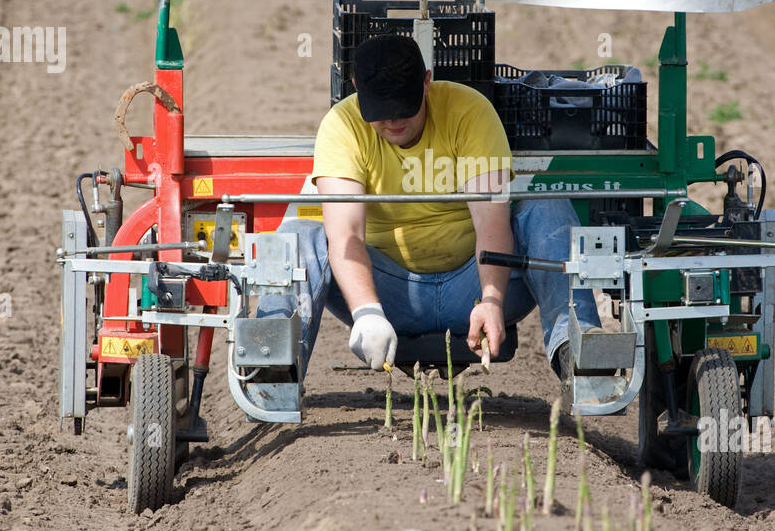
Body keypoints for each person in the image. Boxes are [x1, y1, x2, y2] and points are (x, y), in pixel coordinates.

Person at [256, 33, 600, 404]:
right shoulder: (342, 126)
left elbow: (491, 221)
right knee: (300, 231)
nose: (392, 120)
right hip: (388, 292)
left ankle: (579, 352)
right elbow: (347, 235)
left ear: (426, 81)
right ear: (356, 88)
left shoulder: (469, 111)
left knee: (548, 206)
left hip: (473, 284)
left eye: (404, 107)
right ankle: (273, 360)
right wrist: (368, 313)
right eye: (380, 111)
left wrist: (491, 300)